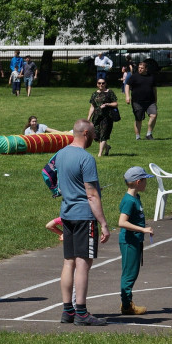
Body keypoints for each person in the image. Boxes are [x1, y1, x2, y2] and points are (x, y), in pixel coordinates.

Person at [56, 119, 110, 326]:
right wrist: (103, 222)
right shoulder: (86, 159)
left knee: (68, 262)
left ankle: (67, 310)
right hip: (83, 216)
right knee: (83, 263)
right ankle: (81, 312)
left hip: (67, 213)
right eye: (94, 134)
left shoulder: (61, 154)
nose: (95, 138)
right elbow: (91, 195)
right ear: (85, 133)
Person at [117, 167, 155, 316]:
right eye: (145, 180)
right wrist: (143, 230)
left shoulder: (136, 198)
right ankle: (126, 305)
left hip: (135, 240)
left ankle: (127, 302)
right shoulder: (129, 201)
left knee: (133, 272)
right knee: (129, 274)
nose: (146, 183)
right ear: (138, 182)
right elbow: (122, 222)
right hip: (129, 241)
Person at [124, 61, 157, 140]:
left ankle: (149, 134)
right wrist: (127, 96)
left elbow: (154, 89)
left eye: (142, 68)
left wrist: (156, 99)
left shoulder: (151, 77)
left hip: (150, 101)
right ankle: (138, 137)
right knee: (139, 119)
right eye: (139, 68)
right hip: (137, 102)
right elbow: (127, 85)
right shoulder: (134, 77)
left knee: (154, 115)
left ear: (146, 69)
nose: (140, 69)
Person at [88, 78, 118, 157]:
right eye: (99, 83)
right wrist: (88, 118)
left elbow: (115, 104)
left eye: (103, 83)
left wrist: (108, 104)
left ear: (105, 84)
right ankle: (107, 147)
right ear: (97, 84)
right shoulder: (94, 94)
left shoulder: (109, 92)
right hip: (97, 117)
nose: (101, 85)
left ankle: (100, 154)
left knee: (103, 135)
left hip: (107, 117)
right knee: (96, 136)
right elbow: (92, 107)